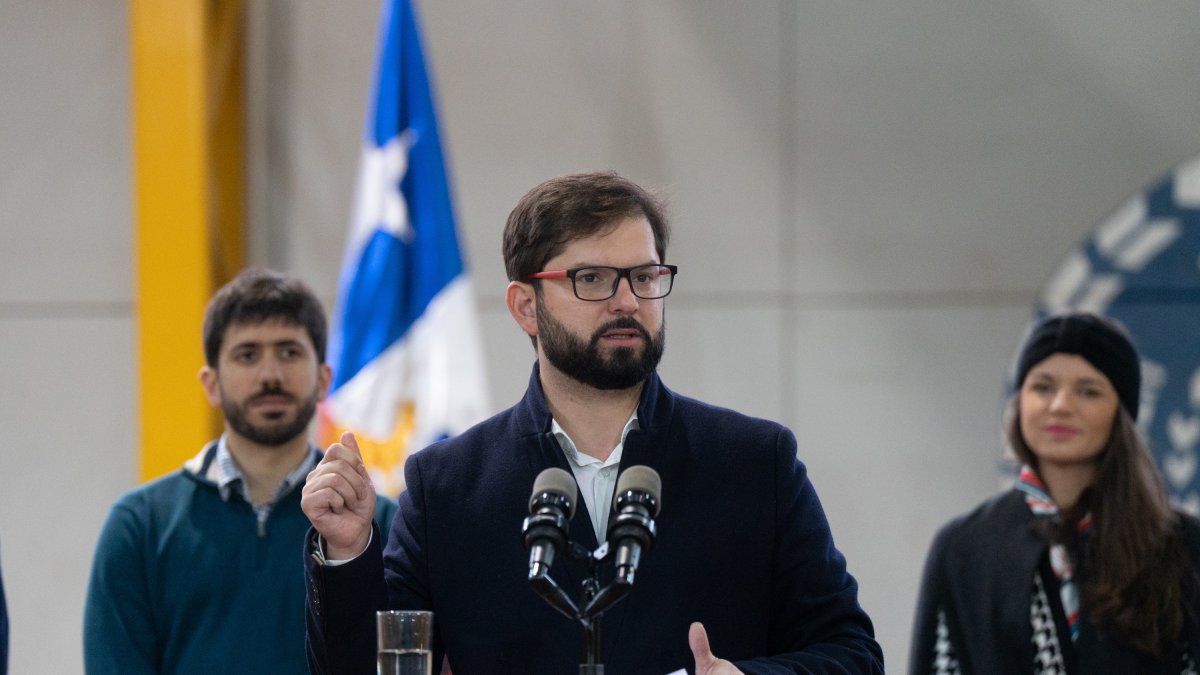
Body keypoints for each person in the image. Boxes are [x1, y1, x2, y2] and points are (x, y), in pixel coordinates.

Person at [302, 171, 883, 674]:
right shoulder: (447, 485)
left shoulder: (754, 462)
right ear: (525, 306)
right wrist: (350, 551)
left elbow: (852, 653)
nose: (628, 300)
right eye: (592, 279)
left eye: (645, 276)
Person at [83, 268, 397, 674]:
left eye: (289, 352)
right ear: (211, 383)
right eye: (247, 355)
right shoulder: (139, 527)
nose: (270, 376)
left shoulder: (379, 523)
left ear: (323, 380)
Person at [909, 312, 1200, 674]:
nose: (1060, 406)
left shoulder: (1182, 547)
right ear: (1019, 403)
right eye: (1042, 387)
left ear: (1121, 413)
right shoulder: (964, 548)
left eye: (1088, 391)